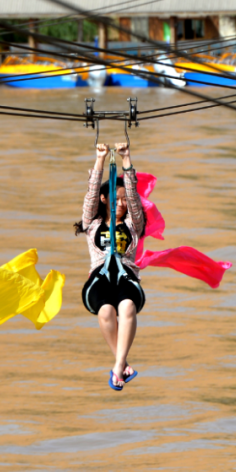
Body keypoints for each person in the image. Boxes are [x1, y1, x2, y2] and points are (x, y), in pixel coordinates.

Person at [78, 142, 146, 390]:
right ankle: (122, 362)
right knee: (106, 312)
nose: (122, 203)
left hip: (126, 278)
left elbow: (134, 197)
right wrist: (100, 160)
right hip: (99, 279)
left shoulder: (133, 225)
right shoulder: (92, 224)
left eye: (124, 200)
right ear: (105, 199)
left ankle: (119, 367)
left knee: (127, 305)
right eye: (116, 199)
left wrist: (126, 159)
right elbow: (91, 194)